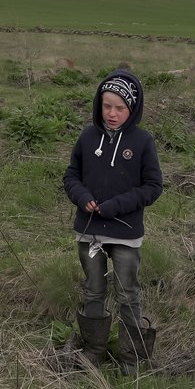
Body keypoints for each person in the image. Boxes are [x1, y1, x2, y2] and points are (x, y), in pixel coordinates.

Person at [62, 69, 164, 372]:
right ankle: (94, 349)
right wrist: (82, 197)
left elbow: (153, 187)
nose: (112, 113)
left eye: (120, 108)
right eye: (107, 106)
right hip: (89, 230)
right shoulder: (87, 135)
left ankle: (130, 358)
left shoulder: (143, 142)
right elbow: (71, 175)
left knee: (127, 293)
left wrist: (116, 206)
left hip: (125, 232)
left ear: (131, 108)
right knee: (93, 289)